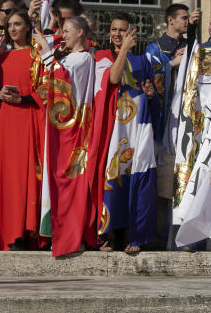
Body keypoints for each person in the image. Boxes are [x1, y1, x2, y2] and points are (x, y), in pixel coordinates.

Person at [92, 16, 157, 254]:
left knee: (139, 177)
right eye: (113, 30)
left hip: (138, 126)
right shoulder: (101, 57)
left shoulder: (143, 61)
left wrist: (150, 96)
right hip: (113, 126)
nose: (117, 34)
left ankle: (135, 236)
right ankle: (107, 235)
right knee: (112, 176)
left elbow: (153, 96)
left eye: (122, 30)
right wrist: (123, 51)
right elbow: (113, 78)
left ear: (132, 33)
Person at [35, 14, 98, 256]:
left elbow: (61, 77)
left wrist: (45, 48)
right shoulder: (71, 57)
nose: (65, 33)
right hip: (61, 126)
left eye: (68, 29)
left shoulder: (83, 59)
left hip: (73, 128)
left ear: (81, 32)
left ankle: (70, 237)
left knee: (69, 181)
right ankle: (59, 234)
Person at [0, 10, 45, 250]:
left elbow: (47, 89)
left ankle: (24, 231)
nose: (13, 29)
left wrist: (22, 99)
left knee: (24, 177)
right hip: (4, 121)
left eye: (18, 24)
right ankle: (6, 233)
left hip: (28, 120)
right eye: (10, 24)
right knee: (6, 177)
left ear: (28, 27)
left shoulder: (38, 56)